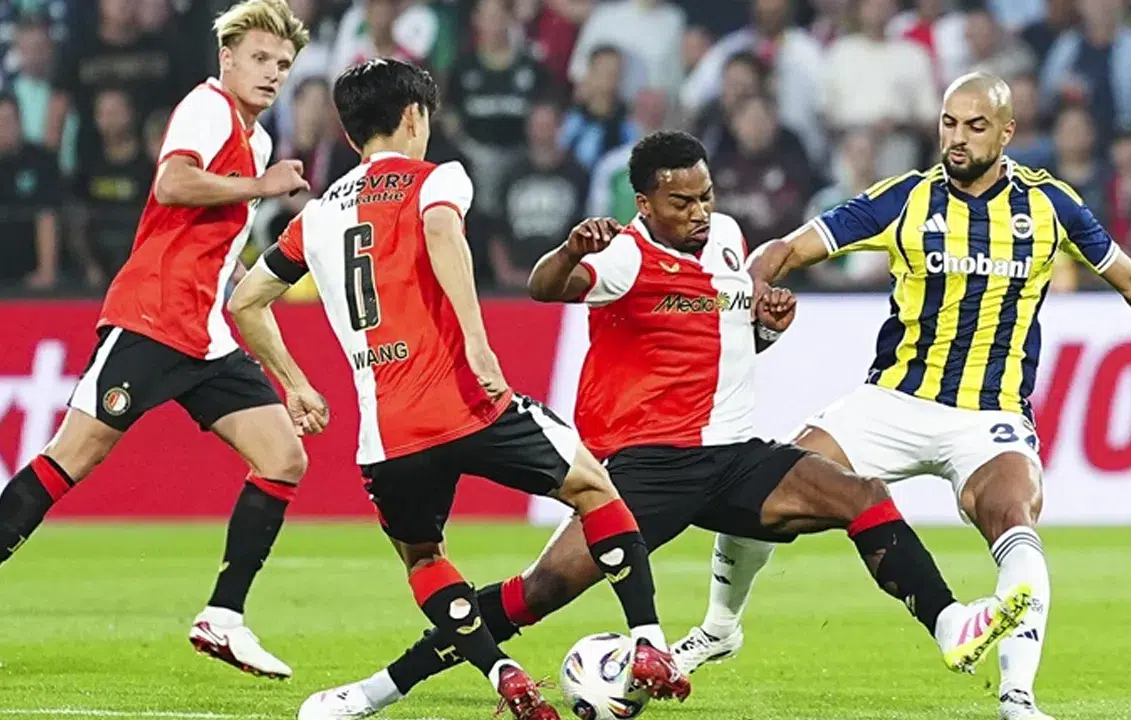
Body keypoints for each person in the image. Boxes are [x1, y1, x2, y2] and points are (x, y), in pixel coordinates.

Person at [297, 129, 1033, 720]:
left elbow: (726, 341)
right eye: (682, 202)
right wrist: (569, 251)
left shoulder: (729, 238)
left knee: (861, 494)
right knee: (538, 592)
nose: (700, 212)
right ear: (645, 203)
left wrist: (767, 329)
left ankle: (949, 625)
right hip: (648, 467)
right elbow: (546, 288)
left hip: (732, 455)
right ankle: (379, 689)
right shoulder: (622, 255)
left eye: (706, 196)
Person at [673, 73, 1131, 720]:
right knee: (771, 485)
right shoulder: (905, 198)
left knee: (1014, 518)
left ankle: (1018, 697)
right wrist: (752, 285)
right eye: (948, 123)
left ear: (1008, 132)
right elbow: (787, 249)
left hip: (990, 416)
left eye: (975, 126)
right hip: (893, 402)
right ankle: (719, 628)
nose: (956, 138)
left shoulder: (1050, 206)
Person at [225, 58, 689, 720]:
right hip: (469, 402)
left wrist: (295, 384)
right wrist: (476, 340)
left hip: (387, 434)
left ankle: (503, 673)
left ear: (351, 134)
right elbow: (442, 230)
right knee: (594, 489)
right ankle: (648, 642)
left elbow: (245, 301)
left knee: (424, 559)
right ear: (414, 117)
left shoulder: (316, 217)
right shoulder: (437, 178)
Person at [0, 0, 314, 679]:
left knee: (284, 457)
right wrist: (261, 186)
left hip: (205, 333)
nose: (272, 73)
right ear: (227, 58)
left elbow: (224, 256)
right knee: (70, 459)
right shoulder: (206, 107)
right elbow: (172, 183)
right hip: (151, 317)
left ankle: (223, 617)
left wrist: (291, 376)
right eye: (260, 58)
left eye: (283, 64)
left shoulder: (258, 141)